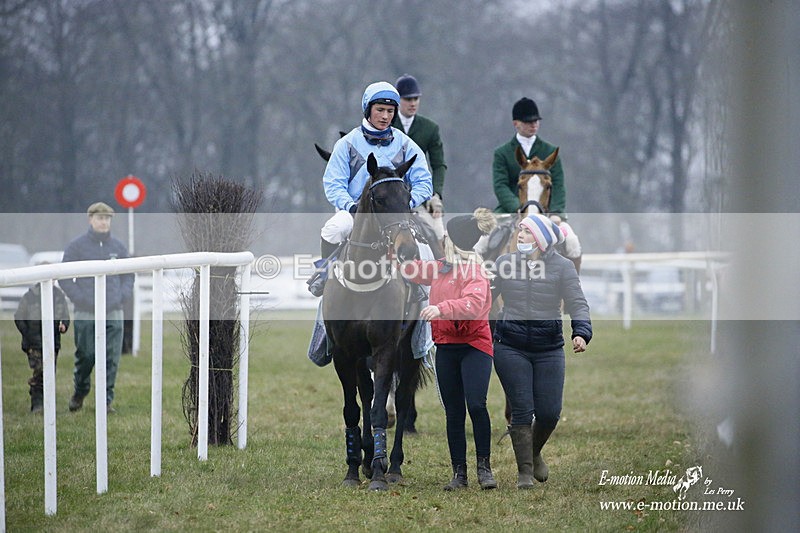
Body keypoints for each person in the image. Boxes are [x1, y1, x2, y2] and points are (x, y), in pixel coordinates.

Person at [491, 213, 592, 489]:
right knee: (522, 410)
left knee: (549, 413)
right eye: (519, 231)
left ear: (539, 240)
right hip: (509, 346)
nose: (519, 236)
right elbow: (482, 296)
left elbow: (578, 303)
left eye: (524, 232)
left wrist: (581, 332)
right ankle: (524, 473)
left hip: (548, 348)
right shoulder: (504, 263)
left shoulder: (563, 268)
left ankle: (533, 452)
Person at [401, 208, 498, 491]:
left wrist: (440, 308)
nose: (442, 238)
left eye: (446, 235)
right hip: (446, 347)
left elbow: (474, 305)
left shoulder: (475, 271)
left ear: (454, 241)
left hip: (474, 347)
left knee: (477, 405)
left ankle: (484, 468)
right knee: (454, 412)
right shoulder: (440, 266)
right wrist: (391, 261)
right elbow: (411, 270)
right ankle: (459, 474)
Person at [307, 81, 433, 296]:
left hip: (394, 213)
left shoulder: (406, 144)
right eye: (380, 110)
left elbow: (424, 182)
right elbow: (333, 183)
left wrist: (405, 203)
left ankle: (417, 287)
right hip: (355, 212)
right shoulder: (346, 144)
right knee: (333, 229)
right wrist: (350, 206)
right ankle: (324, 276)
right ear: (368, 110)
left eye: (390, 111)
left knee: (424, 244)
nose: (385, 116)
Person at [60, 202, 134, 414]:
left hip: (113, 310)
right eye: (100, 218)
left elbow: (129, 275)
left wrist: (122, 295)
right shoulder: (77, 247)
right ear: (90, 219)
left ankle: (106, 400)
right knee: (86, 354)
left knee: (111, 358)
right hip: (86, 310)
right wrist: (80, 298)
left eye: (107, 218)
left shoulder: (118, 248)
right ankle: (80, 390)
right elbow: (64, 277)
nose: (104, 222)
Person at [492, 98, 567, 220]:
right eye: (528, 121)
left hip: (546, 212)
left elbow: (558, 185)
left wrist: (556, 212)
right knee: (486, 237)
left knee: (570, 239)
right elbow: (500, 185)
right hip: (511, 211)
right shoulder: (502, 153)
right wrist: (519, 207)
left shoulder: (550, 152)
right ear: (516, 123)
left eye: (536, 120)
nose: (533, 124)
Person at [392, 74, 446, 239]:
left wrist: (435, 194)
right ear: (398, 100)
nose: (413, 103)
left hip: (419, 194)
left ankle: (441, 264)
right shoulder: (386, 123)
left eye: (416, 98)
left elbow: (438, 165)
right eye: (408, 99)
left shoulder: (430, 128)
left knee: (437, 231)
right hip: (389, 191)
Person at [14, 281, 71, 413]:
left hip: (53, 342)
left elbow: (65, 315)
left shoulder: (58, 296)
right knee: (40, 370)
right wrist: (27, 333)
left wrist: (64, 325)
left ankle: (44, 401)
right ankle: (37, 403)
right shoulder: (29, 296)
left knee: (49, 373)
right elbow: (19, 317)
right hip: (34, 343)